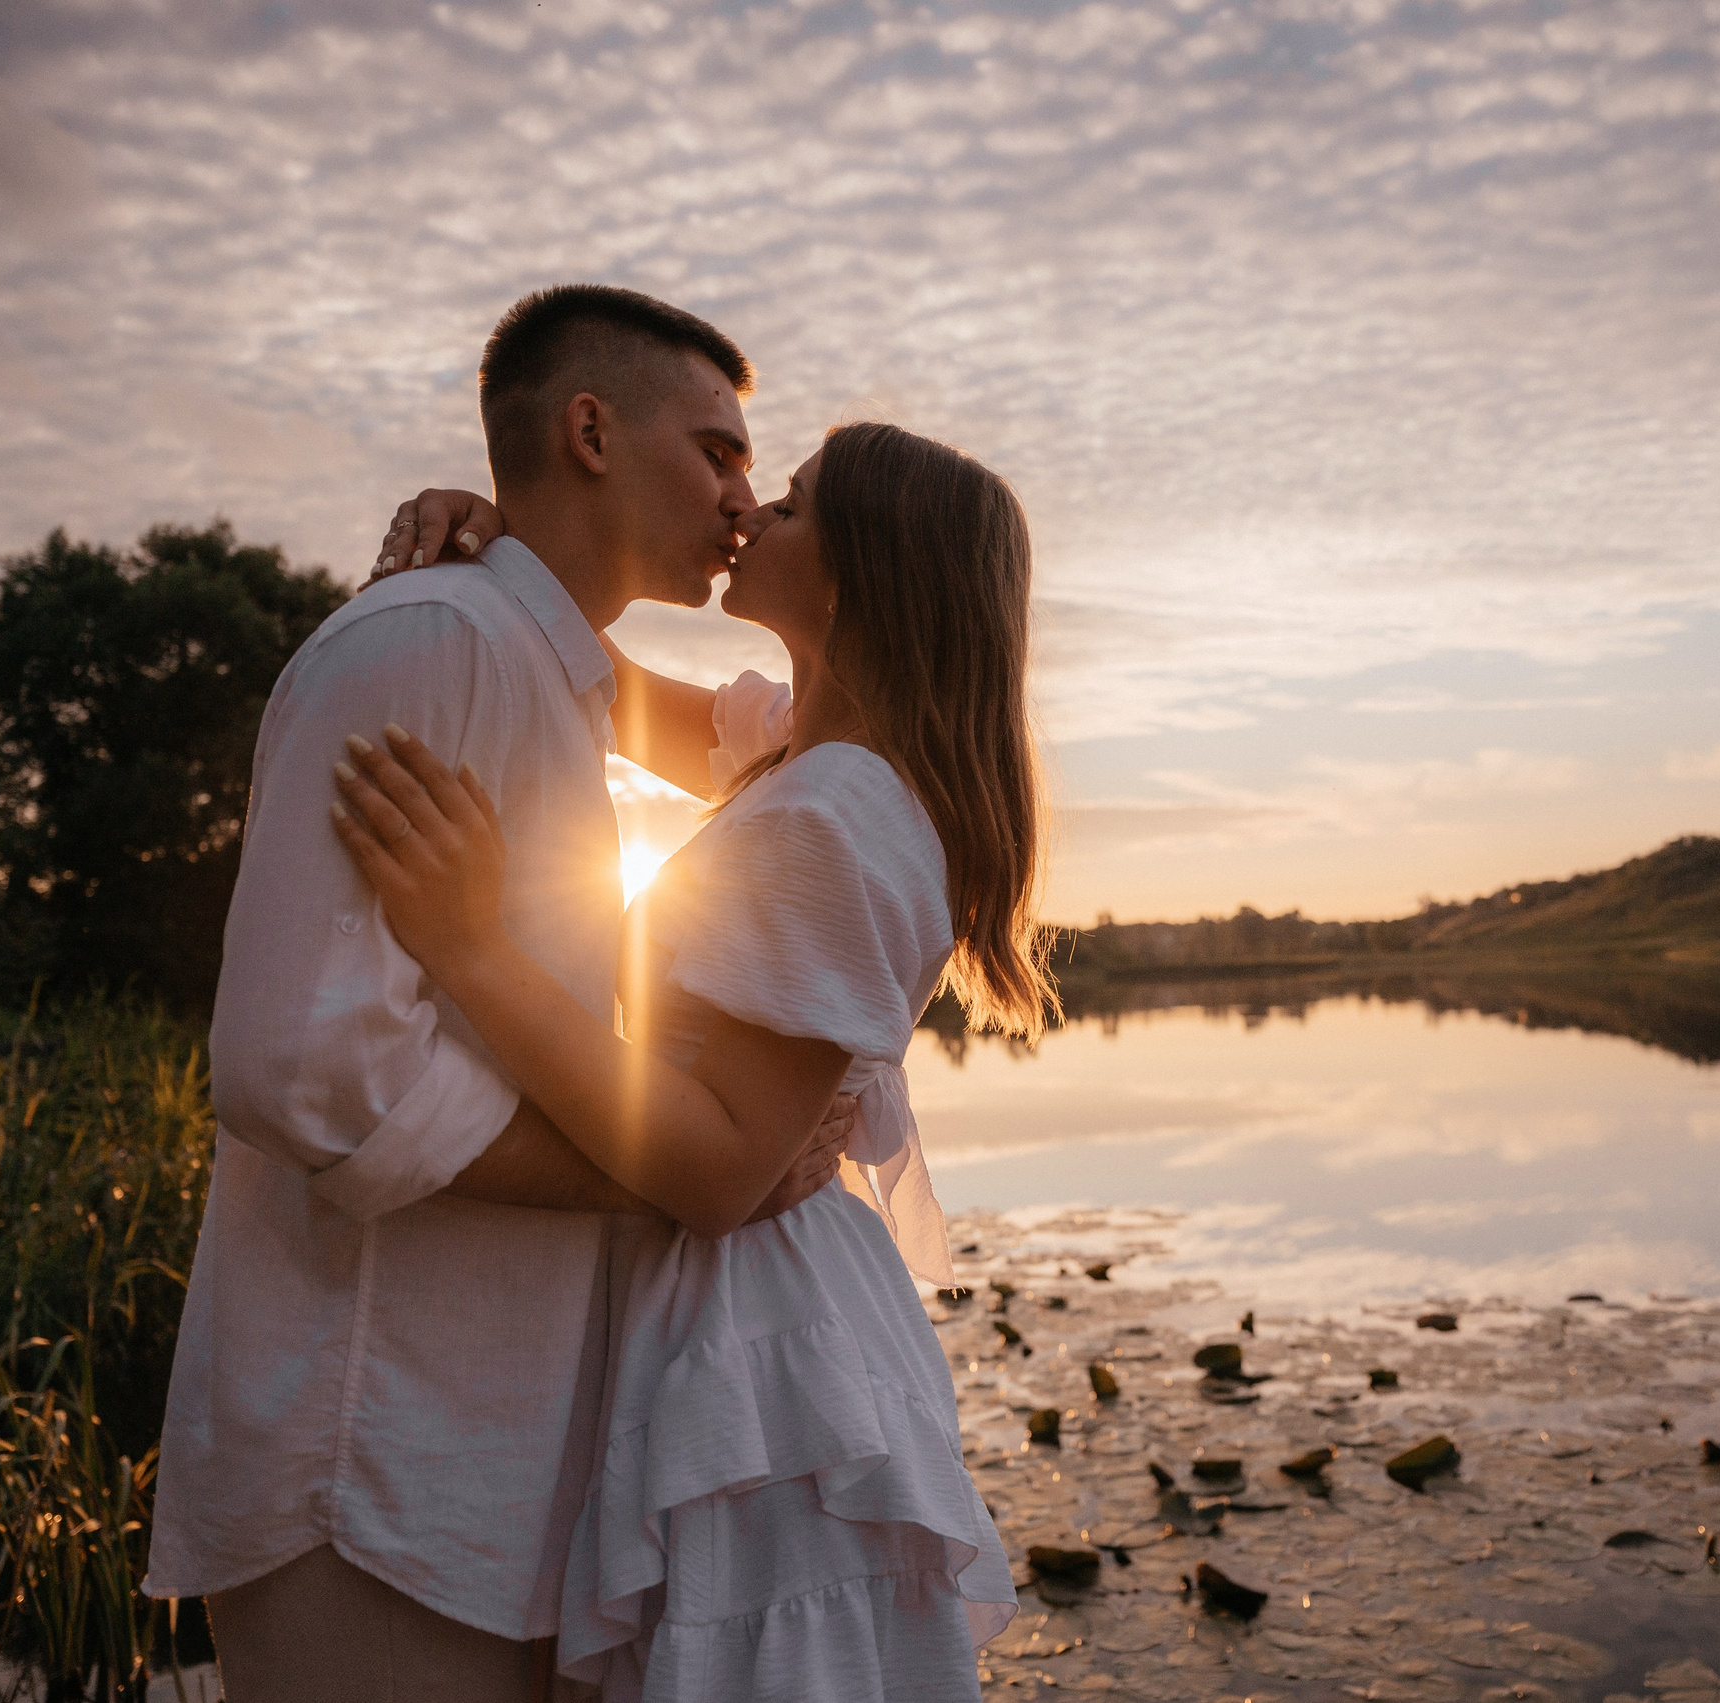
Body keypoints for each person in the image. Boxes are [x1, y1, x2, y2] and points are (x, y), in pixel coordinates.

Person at [144, 285, 853, 1703]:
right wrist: (658, 1175)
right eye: (716, 449)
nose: (745, 490)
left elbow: (789, 755)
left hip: (501, 1467)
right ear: (590, 430)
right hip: (369, 1472)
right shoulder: (435, 642)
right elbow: (302, 1067)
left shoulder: (552, 671)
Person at [332, 418, 1050, 1699]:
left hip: (760, 1327)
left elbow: (720, 1168)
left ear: (860, 572)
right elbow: (614, 696)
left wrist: (472, 945)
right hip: (756, 1301)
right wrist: (515, 547)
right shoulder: (805, 750)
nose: (754, 514)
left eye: (796, 503)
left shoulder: (835, 816)